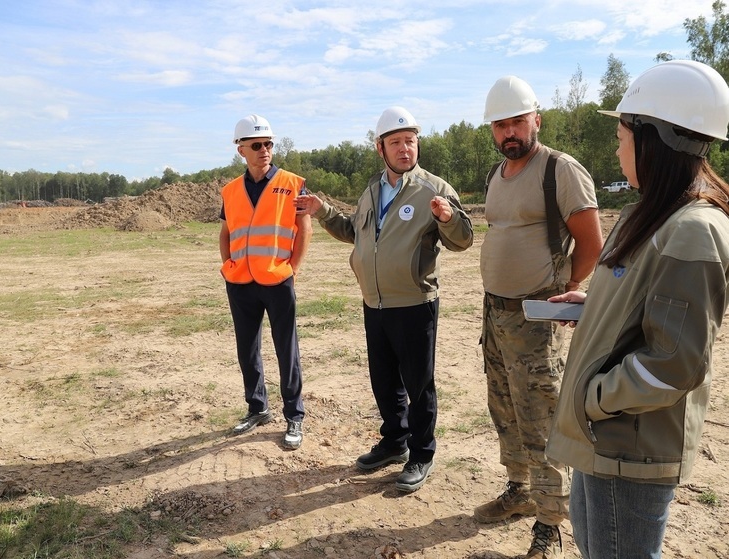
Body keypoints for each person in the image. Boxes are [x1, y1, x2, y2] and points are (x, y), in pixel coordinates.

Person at [545, 60, 729, 559]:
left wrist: (593, 398)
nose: (617, 146)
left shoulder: (692, 230)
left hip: (626, 443)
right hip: (603, 437)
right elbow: (642, 310)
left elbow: (674, 364)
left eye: (623, 134)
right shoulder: (649, 214)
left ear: (653, 138)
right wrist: (595, 306)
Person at [294, 106, 473, 492]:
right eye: (396, 142)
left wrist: (447, 218)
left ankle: (421, 454)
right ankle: (395, 442)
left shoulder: (434, 190)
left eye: (410, 141)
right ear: (381, 148)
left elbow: (462, 240)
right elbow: (354, 232)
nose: (405, 148)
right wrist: (322, 210)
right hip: (374, 303)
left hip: (414, 303)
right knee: (384, 381)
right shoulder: (372, 191)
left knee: (418, 384)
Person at [475, 76, 604, 558]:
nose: (509, 132)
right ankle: (519, 491)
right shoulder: (497, 173)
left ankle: (549, 524)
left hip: (537, 319)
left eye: (517, 121)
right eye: (500, 124)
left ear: (536, 119)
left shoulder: (559, 169)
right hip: (496, 315)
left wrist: (564, 289)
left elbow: (591, 244)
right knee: (505, 408)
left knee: (542, 418)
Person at [219, 114, 312, 450]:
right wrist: (227, 263)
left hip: (277, 279)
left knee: (286, 349)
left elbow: (304, 229)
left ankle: (294, 415)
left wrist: (293, 269)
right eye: (257, 145)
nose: (265, 150)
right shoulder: (230, 191)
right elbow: (226, 231)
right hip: (241, 281)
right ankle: (257, 408)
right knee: (247, 349)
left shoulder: (293, 183)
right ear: (241, 149)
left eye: (269, 144)